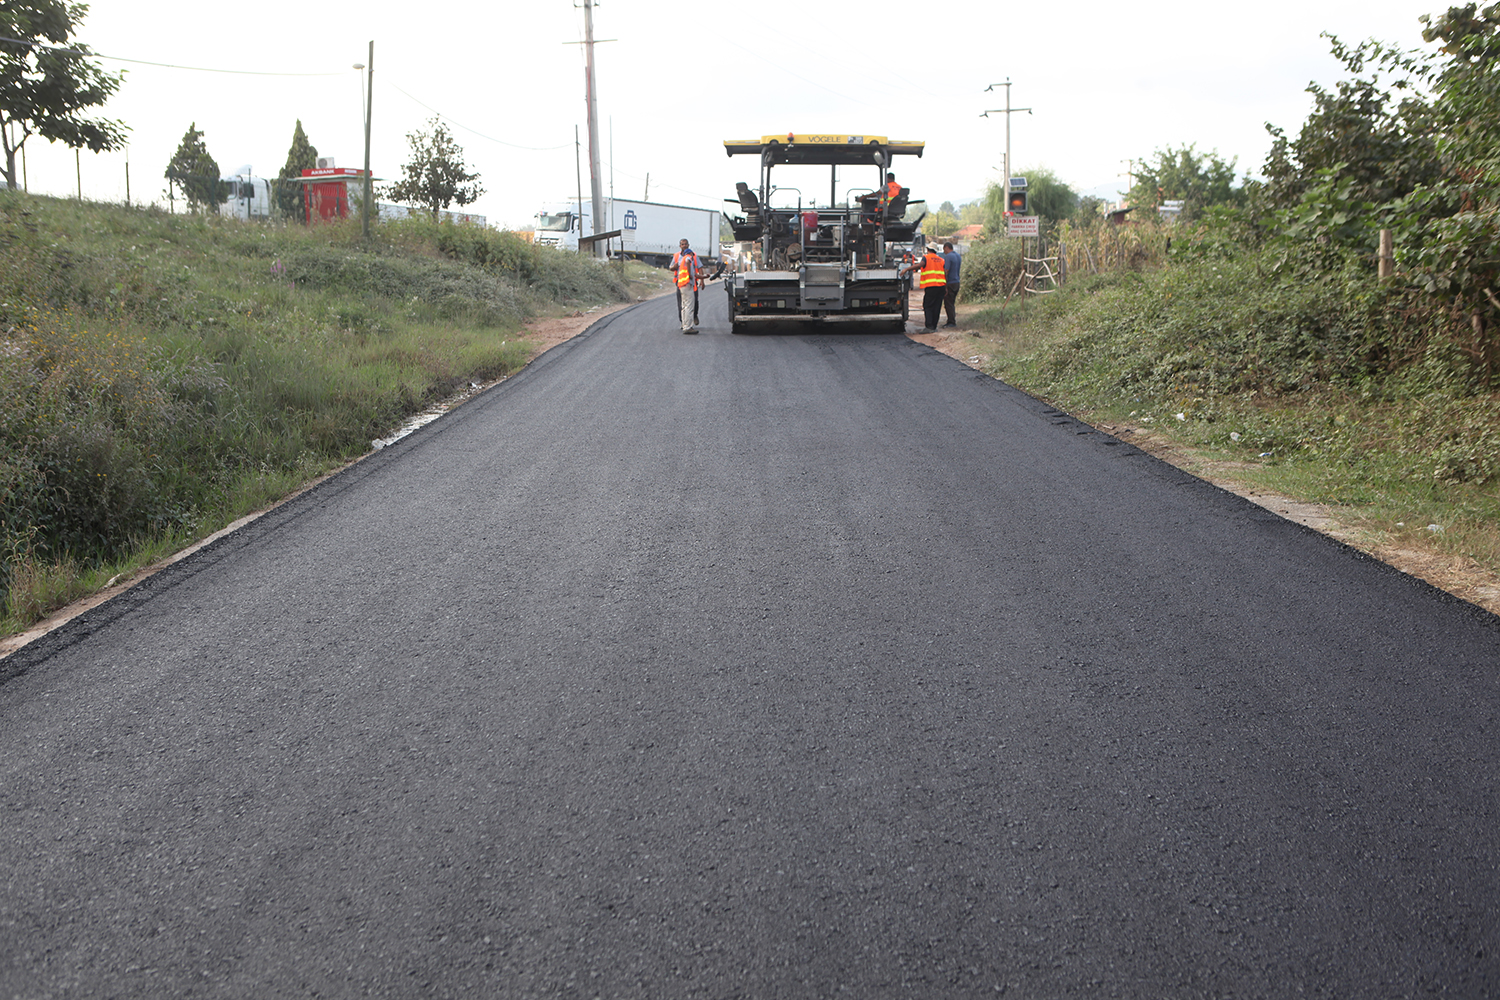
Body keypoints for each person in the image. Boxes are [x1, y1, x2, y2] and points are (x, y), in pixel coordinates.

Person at [902, 242, 947, 332]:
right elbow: (945, 273)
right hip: (941, 286)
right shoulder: (941, 260)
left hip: (931, 286)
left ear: (927, 249)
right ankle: (934, 327)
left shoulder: (926, 257)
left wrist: (906, 269)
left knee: (928, 306)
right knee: (937, 307)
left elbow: (920, 265)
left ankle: (929, 327)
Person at [671, 238, 703, 334]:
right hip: (687, 284)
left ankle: (687, 323)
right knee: (687, 304)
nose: (684, 245)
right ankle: (687, 326)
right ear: (680, 246)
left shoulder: (689, 257)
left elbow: (699, 267)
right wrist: (689, 274)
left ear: (688, 245)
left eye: (685, 244)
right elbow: (673, 267)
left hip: (685, 284)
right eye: (682, 244)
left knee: (687, 304)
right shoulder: (684, 257)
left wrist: (702, 279)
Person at [940, 240, 962, 328]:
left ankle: (951, 322)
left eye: (944, 249)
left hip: (950, 283)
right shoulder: (958, 256)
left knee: (948, 303)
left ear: (946, 248)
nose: (944, 252)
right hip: (957, 282)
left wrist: (944, 285)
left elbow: (946, 271)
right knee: (951, 302)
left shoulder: (948, 256)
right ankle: (951, 320)